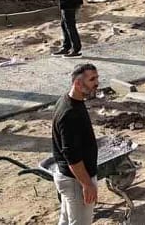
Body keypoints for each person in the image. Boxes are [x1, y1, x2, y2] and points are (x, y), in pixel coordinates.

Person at [51, 63, 100, 225]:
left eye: (97, 78)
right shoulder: (69, 114)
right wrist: (87, 184)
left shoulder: (70, 100)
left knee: (65, 221)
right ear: (78, 83)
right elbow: (72, 156)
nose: (97, 83)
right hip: (76, 181)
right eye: (92, 79)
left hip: (70, 178)